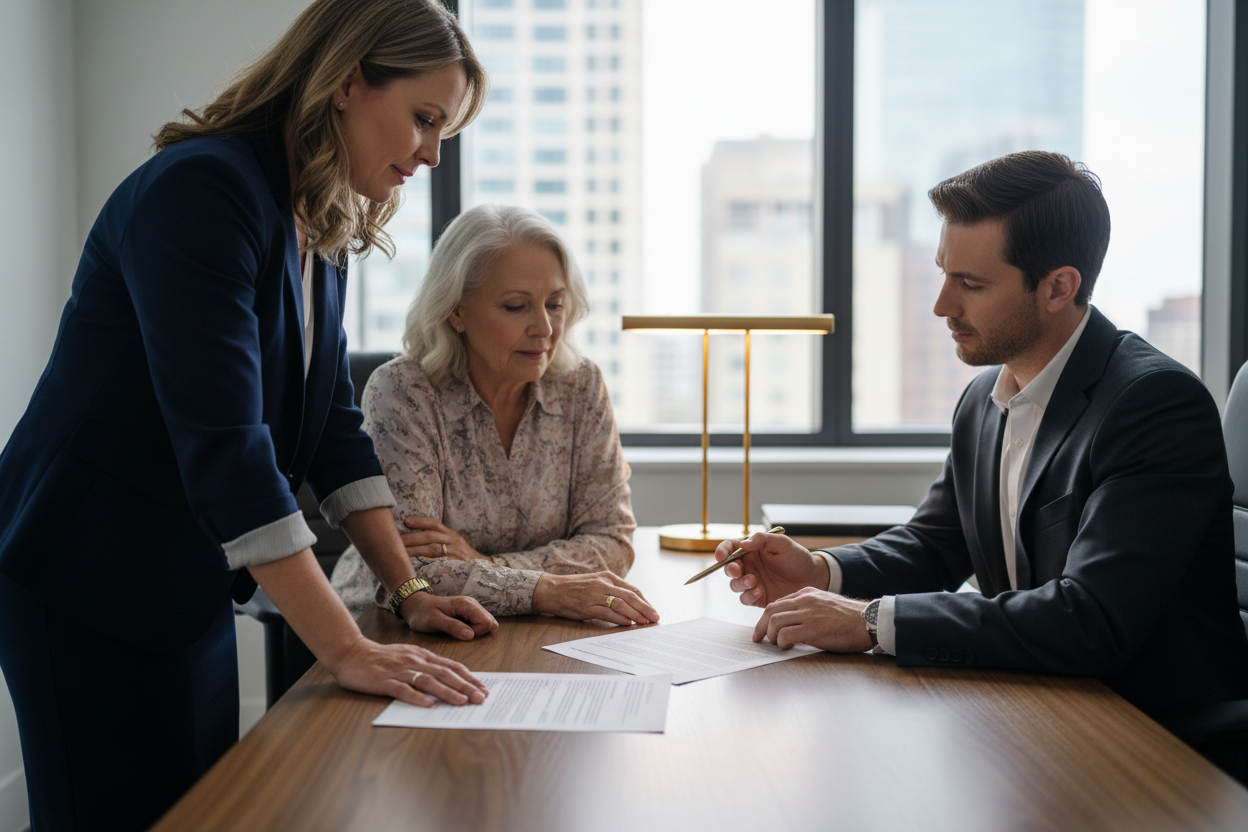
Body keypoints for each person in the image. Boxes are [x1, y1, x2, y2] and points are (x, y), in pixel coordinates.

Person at [0, 2, 504, 830]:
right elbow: (230, 449)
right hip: (83, 578)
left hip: (182, 581)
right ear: (346, 82)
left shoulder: (318, 221)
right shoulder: (205, 190)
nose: (430, 153)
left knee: (201, 811)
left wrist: (408, 587)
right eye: (422, 119)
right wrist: (344, 646)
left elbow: (334, 427)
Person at [717, 151, 1248, 729]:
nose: (943, 305)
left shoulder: (1154, 404)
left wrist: (871, 621)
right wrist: (822, 572)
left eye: (970, 283)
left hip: (1146, 734)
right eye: (944, 274)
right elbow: (937, 544)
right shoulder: (984, 399)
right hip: (1030, 706)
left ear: (1057, 287)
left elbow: (1090, 619)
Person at [331, 204, 658, 627]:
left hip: (534, 627)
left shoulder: (581, 386)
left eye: (555, 304)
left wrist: (490, 564)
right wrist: (547, 588)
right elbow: (416, 572)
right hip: (394, 627)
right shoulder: (403, 392)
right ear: (456, 310)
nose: (544, 327)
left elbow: (612, 540)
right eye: (516, 306)